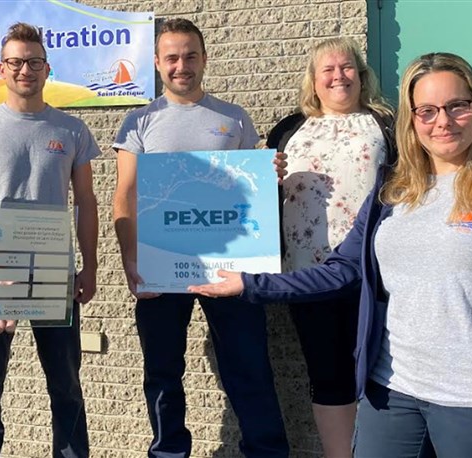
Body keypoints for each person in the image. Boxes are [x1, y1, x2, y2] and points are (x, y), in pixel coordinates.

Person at [190, 52, 472, 458]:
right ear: (411, 120)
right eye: (427, 111)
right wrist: (248, 284)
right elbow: (341, 270)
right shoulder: (392, 192)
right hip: (391, 396)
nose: (443, 121)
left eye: (457, 106)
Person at [113, 18, 290, 458]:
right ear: (157, 63)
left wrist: (270, 175)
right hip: (160, 265)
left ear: (205, 59)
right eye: (172, 58)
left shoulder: (234, 118)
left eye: (190, 56)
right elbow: (124, 198)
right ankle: (169, 452)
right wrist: (131, 262)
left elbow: (252, 192)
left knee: (249, 366)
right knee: (162, 372)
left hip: (229, 268)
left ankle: (266, 452)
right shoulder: (138, 122)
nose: (182, 66)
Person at [0, 23, 99, 458]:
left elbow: (86, 201)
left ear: (47, 68)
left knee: (66, 387)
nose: (25, 70)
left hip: (54, 276)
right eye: (16, 62)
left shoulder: (72, 129)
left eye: (34, 62)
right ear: (1, 68)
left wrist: (90, 267)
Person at [265, 37, 395, 458]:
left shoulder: (386, 124)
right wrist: (265, 179)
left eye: (347, 67)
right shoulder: (288, 130)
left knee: (381, 373)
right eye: (328, 69)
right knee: (327, 374)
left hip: (374, 273)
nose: (339, 76)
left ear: (361, 74)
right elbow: (262, 200)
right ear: (314, 80)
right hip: (308, 276)